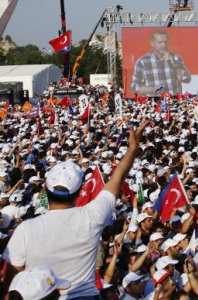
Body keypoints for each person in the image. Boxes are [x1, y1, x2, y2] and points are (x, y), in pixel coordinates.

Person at [3, 120, 148, 300]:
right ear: (80, 192)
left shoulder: (25, 229)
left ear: (46, 191)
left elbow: (12, 283)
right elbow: (116, 180)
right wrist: (132, 149)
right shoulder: (92, 216)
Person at [130, 30, 192, 95]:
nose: (164, 45)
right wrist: (152, 89)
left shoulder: (175, 58)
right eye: (160, 42)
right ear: (152, 43)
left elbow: (187, 79)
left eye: (166, 42)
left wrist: (174, 66)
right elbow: (134, 87)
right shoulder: (143, 61)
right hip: (155, 101)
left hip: (174, 100)